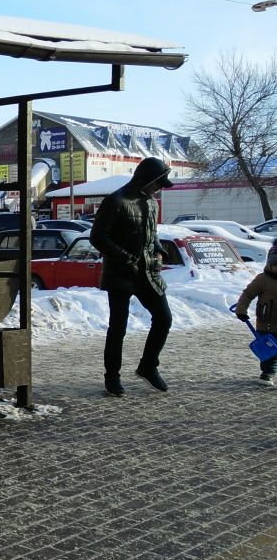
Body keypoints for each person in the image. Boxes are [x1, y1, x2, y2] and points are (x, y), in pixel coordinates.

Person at [89, 156, 175, 396]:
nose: (159, 189)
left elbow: (151, 234)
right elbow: (98, 237)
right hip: (120, 274)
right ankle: (112, 376)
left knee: (164, 318)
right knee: (118, 327)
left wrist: (159, 252)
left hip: (148, 272)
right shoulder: (116, 201)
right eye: (158, 183)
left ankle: (148, 366)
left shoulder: (152, 203)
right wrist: (126, 258)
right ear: (146, 179)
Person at [234, 241, 277, 383]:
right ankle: (267, 373)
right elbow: (247, 294)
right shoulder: (263, 279)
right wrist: (241, 310)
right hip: (267, 323)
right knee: (269, 350)